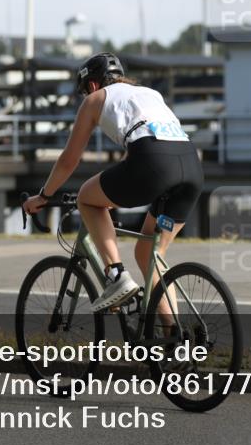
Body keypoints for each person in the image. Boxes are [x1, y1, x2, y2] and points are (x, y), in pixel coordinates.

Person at [21, 53, 203, 314]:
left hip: (153, 162)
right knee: (150, 255)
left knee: (87, 197)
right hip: (191, 166)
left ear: (92, 85)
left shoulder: (95, 99)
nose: (86, 96)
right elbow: (145, 144)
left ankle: (116, 276)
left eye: (85, 92)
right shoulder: (149, 93)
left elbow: (68, 160)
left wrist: (44, 196)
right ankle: (174, 337)